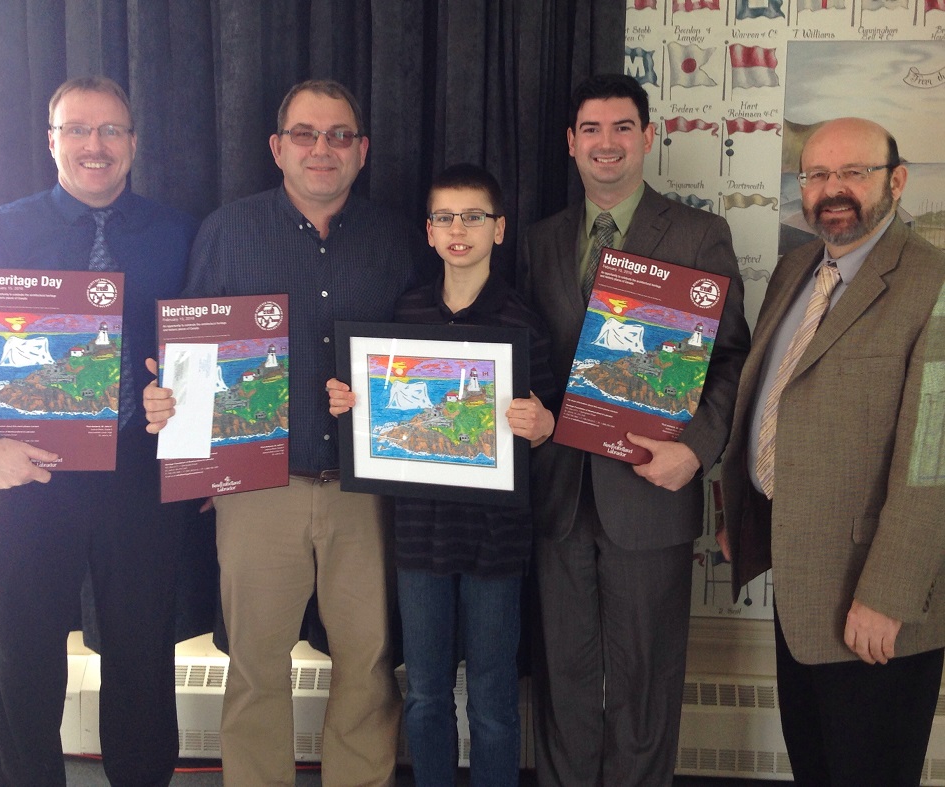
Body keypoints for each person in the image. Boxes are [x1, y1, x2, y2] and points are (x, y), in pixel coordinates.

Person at [142, 79, 428, 787]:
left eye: (338, 136)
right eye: (304, 133)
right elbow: (192, 355)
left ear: (361, 151)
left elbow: (428, 359)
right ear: (277, 147)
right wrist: (179, 425)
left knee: (367, 667)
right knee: (256, 666)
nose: (320, 149)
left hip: (368, 493)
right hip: (258, 491)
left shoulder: (398, 239)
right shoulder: (227, 231)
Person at [0, 76, 196, 786]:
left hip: (140, 479)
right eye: (78, 130)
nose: (96, 145)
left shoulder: (180, 235)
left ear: (134, 143)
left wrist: (187, 418)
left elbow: (208, 350)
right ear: (51, 141)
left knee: (143, 659)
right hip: (28, 477)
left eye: (111, 130)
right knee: (23, 661)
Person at [517, 73, 750, 786]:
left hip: (651, 491)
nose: (607, 143)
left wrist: (697, 451)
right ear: (571, 143)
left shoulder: (699, 233)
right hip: (558, 496)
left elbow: (731, 359)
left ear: (647, 137)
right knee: (566, 683)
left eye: (622, 128)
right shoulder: (537, 241)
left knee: (646, 686)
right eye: (592, 130)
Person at [718, 117, 945, 785]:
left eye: (853, 172)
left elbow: (933, 461)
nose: (831, 189)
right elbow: (777, 399)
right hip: (802, 593)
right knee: (817, 770)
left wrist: (888, 594)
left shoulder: (931, 281)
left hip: (872, 605)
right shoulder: (796, 268)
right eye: (816, 174)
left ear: (896, 181)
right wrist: (745, 511)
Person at [327, 164, 557, 786]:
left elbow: (553, 425)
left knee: (492, 697)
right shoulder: (399, 315)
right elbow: (376, 412)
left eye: (474, 217)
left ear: (499, 229)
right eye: (446, 218)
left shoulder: (524, 322)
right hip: (419, 535)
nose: (459, 230)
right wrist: (352, 405)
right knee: (425, 691)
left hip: (496, 539)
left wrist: (544, 424)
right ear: (428, 232)